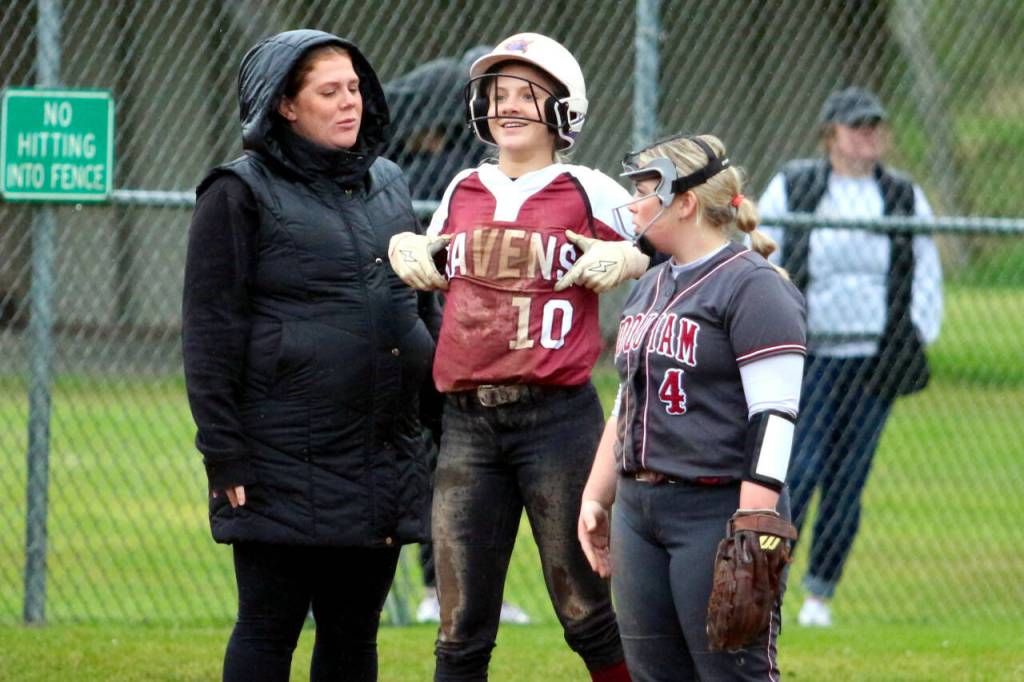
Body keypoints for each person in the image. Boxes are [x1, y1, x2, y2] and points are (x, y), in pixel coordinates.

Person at [388, 32, 649, 682]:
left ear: (564, 111)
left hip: (557, 421)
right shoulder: (463, 188)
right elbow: (435, 258)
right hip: (467, 424)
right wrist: (411, 250)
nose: (507, 107)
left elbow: (676, 247)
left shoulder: (587, 188)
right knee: (460, 625)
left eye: (526, 96)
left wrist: (632, 255)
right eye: (497, 94)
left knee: (584, 610)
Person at [181, 29, 438, 681]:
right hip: (281, 455)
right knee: (269, 628)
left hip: (381, 451)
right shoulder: (237, 192)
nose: (349, 102)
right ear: (284, 106)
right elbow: (209, 331)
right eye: (329, 91)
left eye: (354, 87)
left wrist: (437, 415)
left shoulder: (390, 183)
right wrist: (224, 451)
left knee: (355, 636)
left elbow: (416, 305)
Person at [577, 133, 807, 681]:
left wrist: (754, 524)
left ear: (684, 202)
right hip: (639, 509)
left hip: (717, 509)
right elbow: (626, 402)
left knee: (731, 673)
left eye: (646, 191)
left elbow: (775, 416)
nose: (634, 204)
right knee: (653, 672)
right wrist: (596, 495)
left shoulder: (753, 286)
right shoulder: (649, 284)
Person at [758, 87, 943, 627]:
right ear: (830, 133)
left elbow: (926, 272)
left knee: (849, 476)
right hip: (809, 354)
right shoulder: (796, 185)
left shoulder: (903, 195)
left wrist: (915, 338)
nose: (868, 133)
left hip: (873, 359)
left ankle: (820, 593)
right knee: (801, 467)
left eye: (875, 125)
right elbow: (760, 249)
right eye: (856, 125)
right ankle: (769, 582)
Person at [381, 45, 531, 626]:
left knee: (465, 466)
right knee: (428, 456)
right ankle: (431, 589)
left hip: (471, 331)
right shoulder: (416, 156)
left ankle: (448, 589)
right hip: (423, 325)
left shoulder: (478, 167)